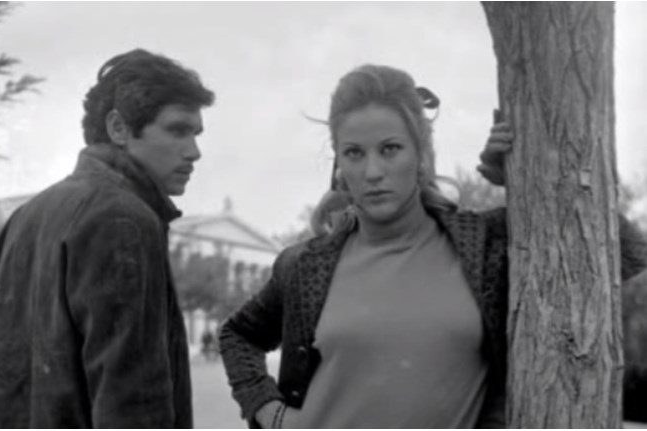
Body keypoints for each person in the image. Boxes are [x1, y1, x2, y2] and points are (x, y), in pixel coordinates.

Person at [218, 64, 647, 428]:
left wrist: (521, 181)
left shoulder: (483, 245)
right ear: (339, 163)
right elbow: (238, 335)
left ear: (420, 153)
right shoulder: (304, 266)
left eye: (390, 149)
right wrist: (270, 411)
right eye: (354, 153)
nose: (372, 171)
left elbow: (627, 251)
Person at [0, 48, 214, 428]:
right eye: (177, 130)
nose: (194, 151)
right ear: (118, 127)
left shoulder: (24, 218)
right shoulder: (123, 219)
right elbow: (134, 404)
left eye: (196, 134)